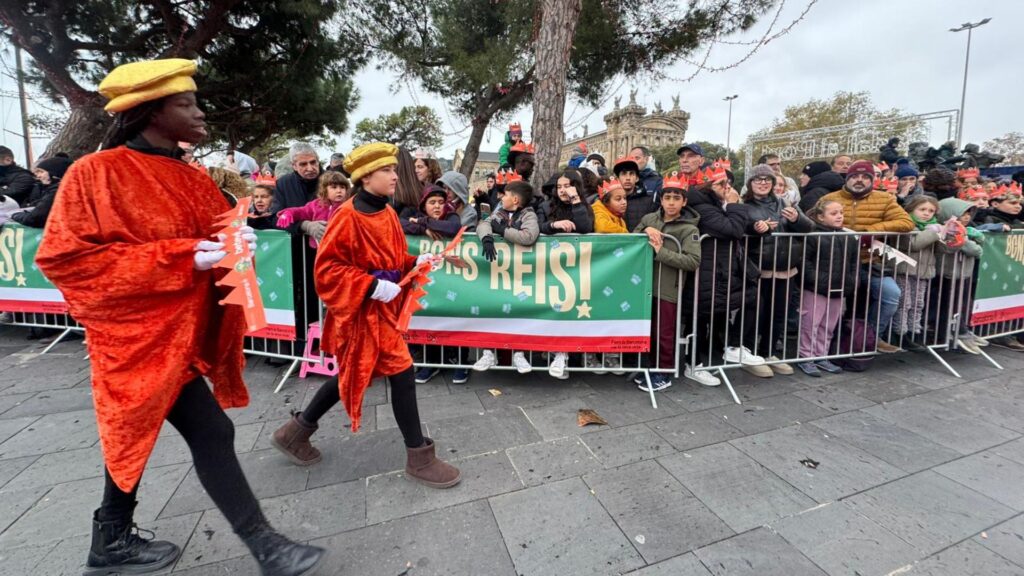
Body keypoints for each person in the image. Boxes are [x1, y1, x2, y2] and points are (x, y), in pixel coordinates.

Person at [35, 58, 322, 576]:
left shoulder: (192, 178)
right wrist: (181, 257)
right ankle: (266, 547)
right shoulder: (93, 174)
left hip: (182, 339)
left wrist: (240, 242)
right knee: (188, 433)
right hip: (133, 343)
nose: (200, 112)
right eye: (185, 103)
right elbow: (64, 260)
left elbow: (219, 239)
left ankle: (111, 539)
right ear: (149, 111)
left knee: (146, 435)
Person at [271, 142, 462, 490]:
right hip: (361, 316)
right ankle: (419, 456)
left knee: (353, 372)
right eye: (387, 171)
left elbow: (392, 258)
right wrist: (371, 286)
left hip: (382, 312)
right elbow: (327, 272)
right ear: (366, 176)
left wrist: (410, 264)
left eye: (394, 169)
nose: (395, 176)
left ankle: (295, 432)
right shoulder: (346, 217)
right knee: (403, 374)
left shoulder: (387, 211)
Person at [820, 160, 914, 351]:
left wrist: (871, 231)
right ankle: (827, 344)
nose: (859, 180)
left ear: (872, 180)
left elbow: (906, 222)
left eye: (865, 177)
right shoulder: (830, 198)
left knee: (891, 293)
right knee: (837, 306)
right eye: (855, 176)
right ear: (847, 178)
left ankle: (871, 336)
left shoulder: (885, 199)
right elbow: (814, 220)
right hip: (837, 262)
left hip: (869, 261)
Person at [684, 165, 765, 386]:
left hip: (721, 270)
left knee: (744, 301)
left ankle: (731, 347)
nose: (726, 187)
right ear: (708, 186)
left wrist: (760, 227)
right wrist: (736, 205)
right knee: (699, 318)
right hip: (707, 272)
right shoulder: (702, 206)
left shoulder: (716, 204)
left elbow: (742, 226)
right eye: (721, 184)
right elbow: (731, 229)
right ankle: (694, 364)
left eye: (728, 183)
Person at [741, 164, 814, 377]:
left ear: (773, 183)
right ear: (750, 184)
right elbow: (739, 227)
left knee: (778, 313)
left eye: (767, 179)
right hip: (757, 269)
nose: (763, 183)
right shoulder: (744, 205)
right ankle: (749, 352)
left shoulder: (786, 202)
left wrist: (796, 219)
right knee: (755, 313)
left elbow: (809, 228)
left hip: (785, 269)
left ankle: (769, 351)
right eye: (758, 179)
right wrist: (754, 229)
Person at [632, 173, 701, 391]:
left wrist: (661, 252)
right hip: (643, 285)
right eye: (667, 197)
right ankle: (648, 368)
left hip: (667, 288)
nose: (671, 202)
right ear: (661, 199)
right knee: (647, 329)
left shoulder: (690, 229)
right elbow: (632, 237)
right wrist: (645, 230)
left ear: (684, 201)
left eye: (676, 198)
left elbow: (693, 260)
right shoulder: (649, 219)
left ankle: (664, 371)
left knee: (665, 332)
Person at [403, 185, 471, 385]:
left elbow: (453, 229)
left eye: (441, 202)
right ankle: (431, 363)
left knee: (456, 316)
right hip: (428, 280)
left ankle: (460, 362)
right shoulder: (413, 214)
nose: (438, 206)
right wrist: (424, 228)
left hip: (453, 280)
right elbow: (399, 224)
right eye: (432, 202)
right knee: (428, 315)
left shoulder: (451, 216)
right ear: (423, 204)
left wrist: (425, 223)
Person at [471, 180, 541, 374]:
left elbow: (528, 236)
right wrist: (486, 238)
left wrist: (502, 231)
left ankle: (519, 353)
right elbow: (485, 223)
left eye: (506, 194)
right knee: (492, 309)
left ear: (516, 199)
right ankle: (488, 351)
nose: (501, 197)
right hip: (498, 272)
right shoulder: (499, 211)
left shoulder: (529, 215)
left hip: (521, 274)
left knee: (519, 311)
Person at [539, 170, 594, 379]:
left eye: (567, 185)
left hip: (576, 268)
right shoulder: (545, 206)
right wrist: (554, 226)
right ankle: (557, 354)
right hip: (549, 266)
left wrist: (576, 202)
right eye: (559, 186)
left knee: (571, 309)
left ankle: (567, 354)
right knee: (554, 308)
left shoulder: (583, 205)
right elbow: (539, 226)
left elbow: (585, 227)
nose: (562, 190)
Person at [797, 199, 858, 377]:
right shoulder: (813, 235)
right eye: (834, 213)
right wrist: (818, 280)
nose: (839, 216)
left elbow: (854, 263)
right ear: (820, 217)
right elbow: (804, 263)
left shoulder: (848, 237)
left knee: (829, 325)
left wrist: (851, 281)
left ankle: (821, 355)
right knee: (811, 323)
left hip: (840, 288)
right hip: (817, 288)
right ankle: (805, 356)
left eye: (841, 212)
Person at [891, 196, 947, 352]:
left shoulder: (933, 228)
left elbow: (942, 250)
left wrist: (947, 236)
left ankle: (914, 330)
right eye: (922, 210)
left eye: (931, 211)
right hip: (904, 270)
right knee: (904, 303)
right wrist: (934, 232)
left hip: (923, 272)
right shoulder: (907, 225)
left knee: (918, 303)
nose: (926, 214)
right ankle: (899, 332)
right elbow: (913, 244)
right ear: (911, 210)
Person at [931, 198, 986, 354]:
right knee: (949, 304)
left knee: (962, 303)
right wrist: (969, 241)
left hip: (963, 273)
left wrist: (973, 238)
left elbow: (978, 248)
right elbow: (974, 250)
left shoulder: (967, 230)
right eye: (963, 214)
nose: (967, 217)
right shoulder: (948, 231)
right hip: (948, 274)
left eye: (970, 213)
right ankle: (952, 332)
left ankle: (962, 329)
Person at [275, 171, 350, 249]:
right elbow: (301, 211)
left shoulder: (349, 206)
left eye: (342, 187)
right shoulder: (316, 205)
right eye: (334, 187)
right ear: (324, 189)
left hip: (342, 248)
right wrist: (288, 213)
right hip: (318, 248)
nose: (339, 191)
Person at [11, 155, 74, 228]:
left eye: (41, 172)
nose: (38, 176)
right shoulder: (60, 189)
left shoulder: (57, 191)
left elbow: (35, 218)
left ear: (55, 173)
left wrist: (15, 215)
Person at [271, 142, 322, 230]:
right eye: (303, 164)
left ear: (318, 161)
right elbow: (276, 217)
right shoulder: (283, 184)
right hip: (297, 241)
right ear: (294, 166)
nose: (310, 168)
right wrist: (302, 225)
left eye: (313, 162)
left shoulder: (333, 180)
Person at [613, 155, 656, 231]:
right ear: (617, 179)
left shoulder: (648, 200)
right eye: (624, 174)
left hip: (640, 242)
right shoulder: (609, 201)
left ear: (637, 178)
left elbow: (653, 225)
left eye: (632, 174)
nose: (628, 178)